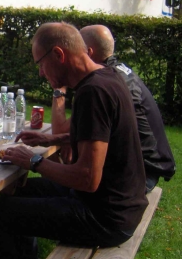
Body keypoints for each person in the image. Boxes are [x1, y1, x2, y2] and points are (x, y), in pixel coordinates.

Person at [0, 22, 148, 259]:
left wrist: (34, 161)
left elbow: (87, 179)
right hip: (119, 202)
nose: (40, 73)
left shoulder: (92, 93)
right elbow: (98, 134)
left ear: (59, 55)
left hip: (106, 216)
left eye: (40, 63)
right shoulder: (106, 77)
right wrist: (51, 139)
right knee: (17, 192)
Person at [52, 24, 175, 192]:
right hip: (146, 167)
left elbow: (59, 130)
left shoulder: (100, 86)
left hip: (138, 176)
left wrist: (59, 88)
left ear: (88, 53)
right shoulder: (119, 73)